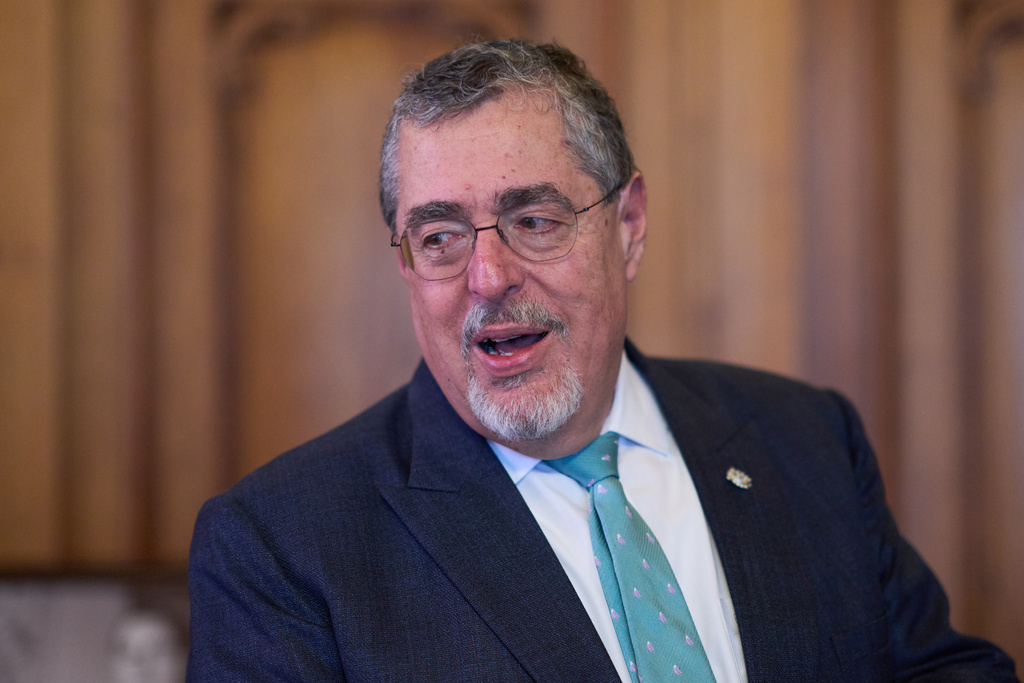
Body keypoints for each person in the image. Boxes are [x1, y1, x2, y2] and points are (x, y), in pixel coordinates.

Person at [186, 39, 1017, 682]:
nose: (488, 277)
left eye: (535, 220)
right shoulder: (281, 546)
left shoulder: (806, 438)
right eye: (439, 236)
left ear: (626, 224)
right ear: (405, 262)